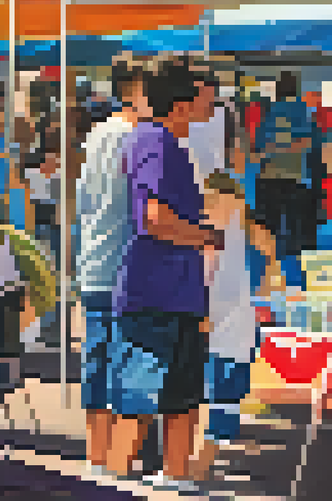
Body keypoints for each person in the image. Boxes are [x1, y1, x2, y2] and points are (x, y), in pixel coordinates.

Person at [107, 57, 225, 491]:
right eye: (203, 97)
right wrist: (206, 236)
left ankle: (176, 475)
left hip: (177, 293)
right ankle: (115, 482)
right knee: (139, 397)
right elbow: (153, 218)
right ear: (180, 105)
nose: (209, 106)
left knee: (182, 394)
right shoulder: (154, 141)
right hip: (154, 292)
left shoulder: (162, 141)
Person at [75, 56, 145, 477]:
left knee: (97, 365)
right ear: (134, 90)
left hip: (94, 263)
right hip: (127, 267)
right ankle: (118, 466)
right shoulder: (138, 137)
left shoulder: (96, 134)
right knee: (128, 365)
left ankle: (97, 459)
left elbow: (84, 201)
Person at [190, 171, 278, 482]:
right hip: (236, 323)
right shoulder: (250, 233)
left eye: (212, 201)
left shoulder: (226, 233)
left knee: (218, 393)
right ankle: (205, 456)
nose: (207, 207)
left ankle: (200, 465)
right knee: (223, 392)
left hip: (225, 324)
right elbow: (269, 280)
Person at [254, 70, 317, 286]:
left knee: (270, 234)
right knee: (295, 236)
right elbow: (307, 142)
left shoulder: (269, 110)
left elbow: (259, 145)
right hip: (294, 178)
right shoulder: (302, 109)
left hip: (268, 178)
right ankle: (296, 284)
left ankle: (270, 281)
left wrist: (271, 151)